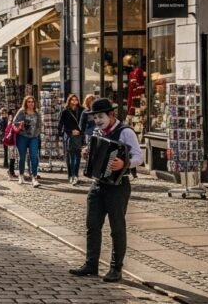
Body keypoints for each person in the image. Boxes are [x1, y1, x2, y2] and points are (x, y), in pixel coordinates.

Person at [69, 98, 144, 283]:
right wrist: (87, 153)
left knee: (117, 228)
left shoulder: (125, 132)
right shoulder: (97, 132)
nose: (98, 121)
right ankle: (91, 264)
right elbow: (95, 154)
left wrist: (124, 163)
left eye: (100, 117)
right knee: (92, 225)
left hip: (118, 186)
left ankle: (115, 268)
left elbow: (139, 157)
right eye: (95, 118)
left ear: (111, 114)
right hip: (98, 184)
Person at [13, 96, 42, 187]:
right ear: (25, 103)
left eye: (32, 102)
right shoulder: (22, 111)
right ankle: (21, 175)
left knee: (34, 156)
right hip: (22, 137)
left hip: (33, 137)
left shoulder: (37, 113)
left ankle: (34, 177)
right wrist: (20, 125)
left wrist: (37, 134)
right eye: (29, 102)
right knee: (22, 157)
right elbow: (14, 122)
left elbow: (40, 124)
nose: (31, 103)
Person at [59, 94, 85, 185]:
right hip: (69, 136)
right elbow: (61, 125)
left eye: (76, 99)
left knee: (77, 157)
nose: (74, 101)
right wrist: (69, 132)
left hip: (79, 136)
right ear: (69, 101)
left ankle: (76, 176)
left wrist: (80, 132)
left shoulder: (82, 110)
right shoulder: (65, 111)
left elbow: (85, 124)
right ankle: (71, 175)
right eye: (72, 100)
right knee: (70, 157)